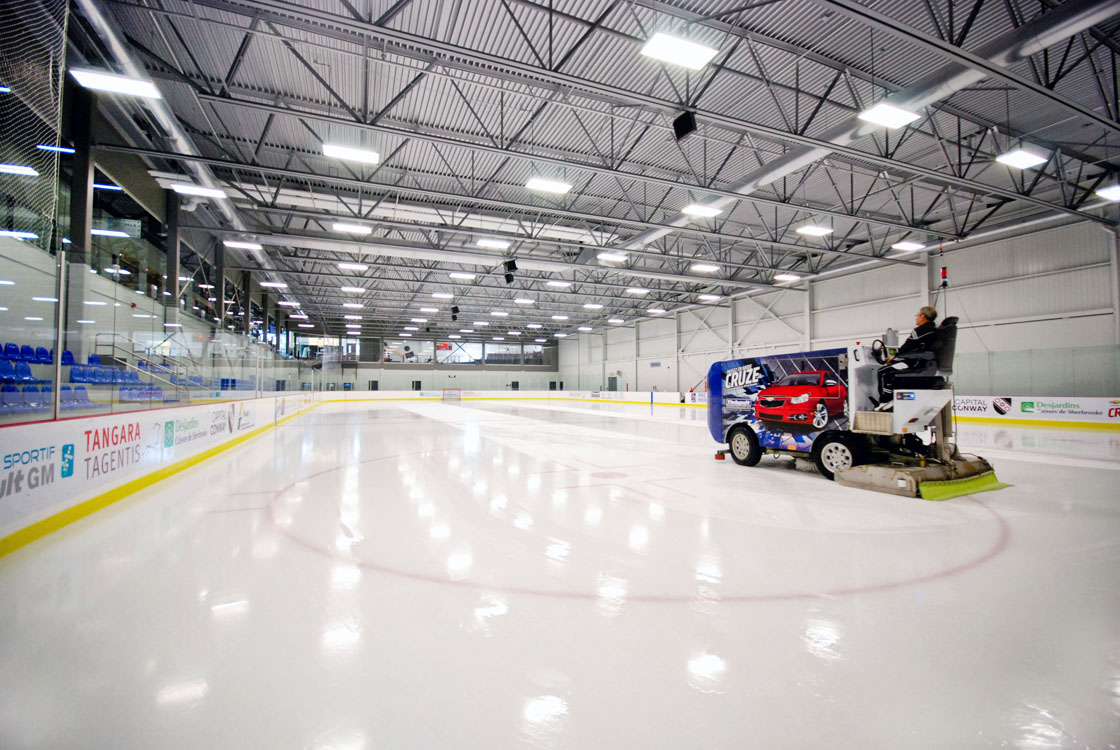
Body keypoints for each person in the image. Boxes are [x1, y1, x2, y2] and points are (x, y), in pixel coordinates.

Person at [876, 306, 938, 408]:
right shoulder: (934, 330)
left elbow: (907, 347)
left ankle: (885, 401)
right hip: (924, 362)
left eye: (917, 316)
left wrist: (895, 357)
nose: (916, 318)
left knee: (882, 372)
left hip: (914, 362)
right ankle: (892, 396)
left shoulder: (920, 330)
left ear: (923, 316)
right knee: (891, 368)